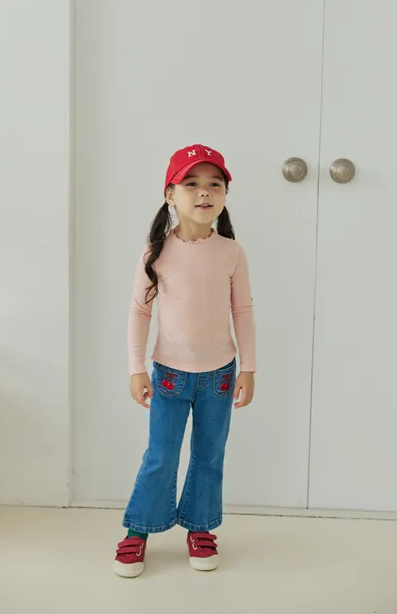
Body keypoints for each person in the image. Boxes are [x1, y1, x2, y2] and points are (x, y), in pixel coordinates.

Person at [113, 144, 256, 578]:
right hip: (169, 376)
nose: (204, 192)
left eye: (215, 184)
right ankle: (139, 528)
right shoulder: (155, 252)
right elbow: (139, 312)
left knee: (209, 456)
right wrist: (136, 368)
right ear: (170, 195)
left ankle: (200, 527)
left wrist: (248, 368)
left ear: (225, 194)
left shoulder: (231, 251)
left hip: (220, 376)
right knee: (160, 455)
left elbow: (242, 311)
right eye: (191, 183)